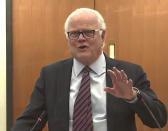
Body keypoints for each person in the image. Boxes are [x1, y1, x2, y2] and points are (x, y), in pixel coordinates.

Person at [12, 8, 167, 131]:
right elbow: (29, 121)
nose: (81, 38)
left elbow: (158, 120)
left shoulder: (129, 72)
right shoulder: (51, 75)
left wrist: (133, 96)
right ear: (68, 38)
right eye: (74, 33)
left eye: (88, 32)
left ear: (103, 35)